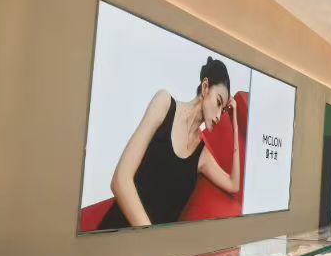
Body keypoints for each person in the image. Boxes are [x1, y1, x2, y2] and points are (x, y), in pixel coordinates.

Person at [98, 57, 241, 229]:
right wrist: (151, 239)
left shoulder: (201, 155)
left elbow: (233, 184)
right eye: (218, 102)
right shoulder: (164, 104)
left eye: (223, 110)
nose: (218, 115)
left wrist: (235, 124)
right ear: (205, 87)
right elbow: (120, 180)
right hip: (118, 233)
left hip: (157, 244)